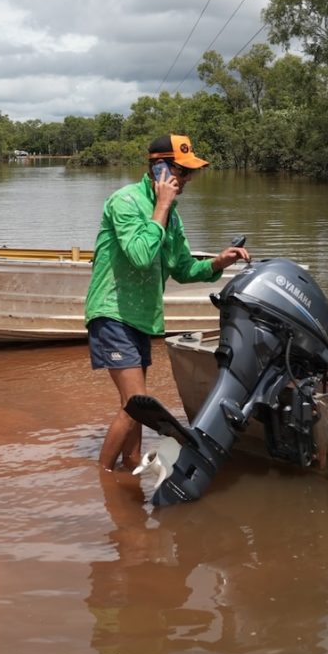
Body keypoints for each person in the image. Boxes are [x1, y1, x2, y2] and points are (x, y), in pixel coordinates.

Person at [84, 133, 250, 473]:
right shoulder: (125, 202)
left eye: (190, 173)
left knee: (137, 408)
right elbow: (142, 256)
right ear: (159, 169)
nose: (188, 179)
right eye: (182, 171)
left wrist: (218, 263)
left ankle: (129, 472)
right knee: (135, 406)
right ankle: (102, 481)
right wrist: (161, 206)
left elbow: (184, 268)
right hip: (112, 312)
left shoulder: (171, 216)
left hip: (140, 318)